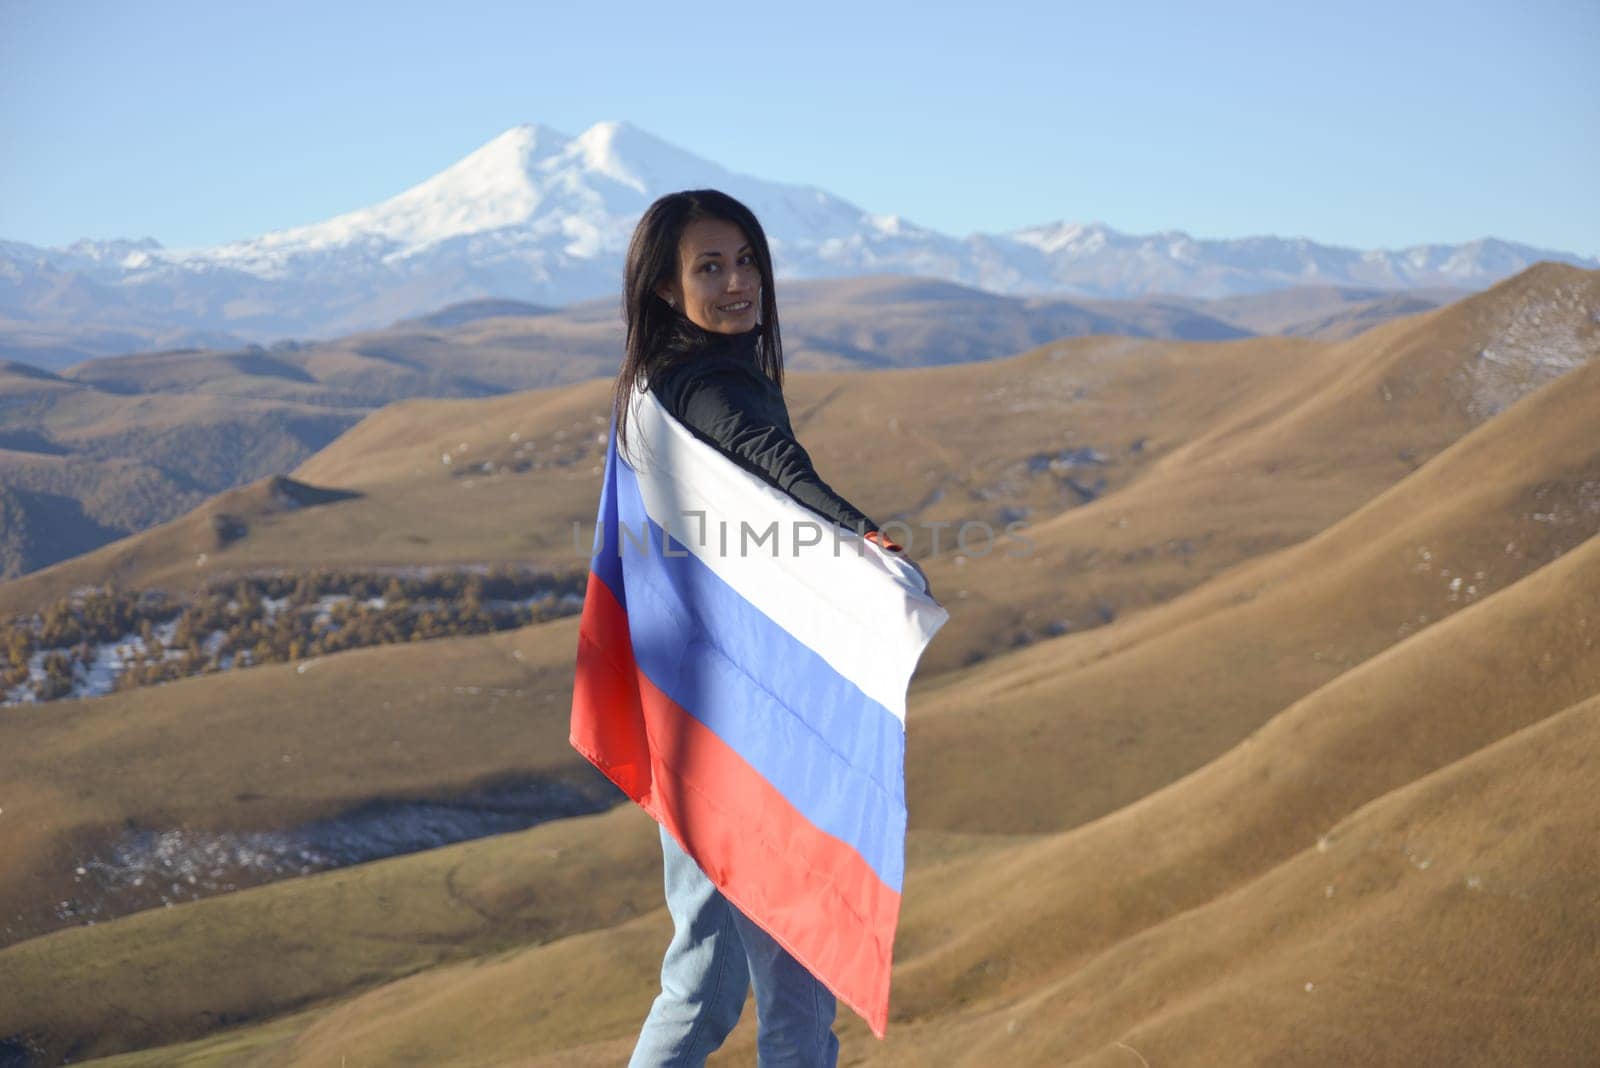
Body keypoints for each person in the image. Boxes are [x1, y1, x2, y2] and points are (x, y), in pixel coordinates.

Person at [610, 189, 926, 1067]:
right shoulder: (704, 383)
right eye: (709, 267)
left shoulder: (651, 384)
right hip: (748, 741)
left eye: (746, 259)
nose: (738, 281)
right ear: (667, 290)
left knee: (706, 979)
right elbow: (769, 459)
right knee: (791, 991)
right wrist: (859, 535)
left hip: (693, 721)